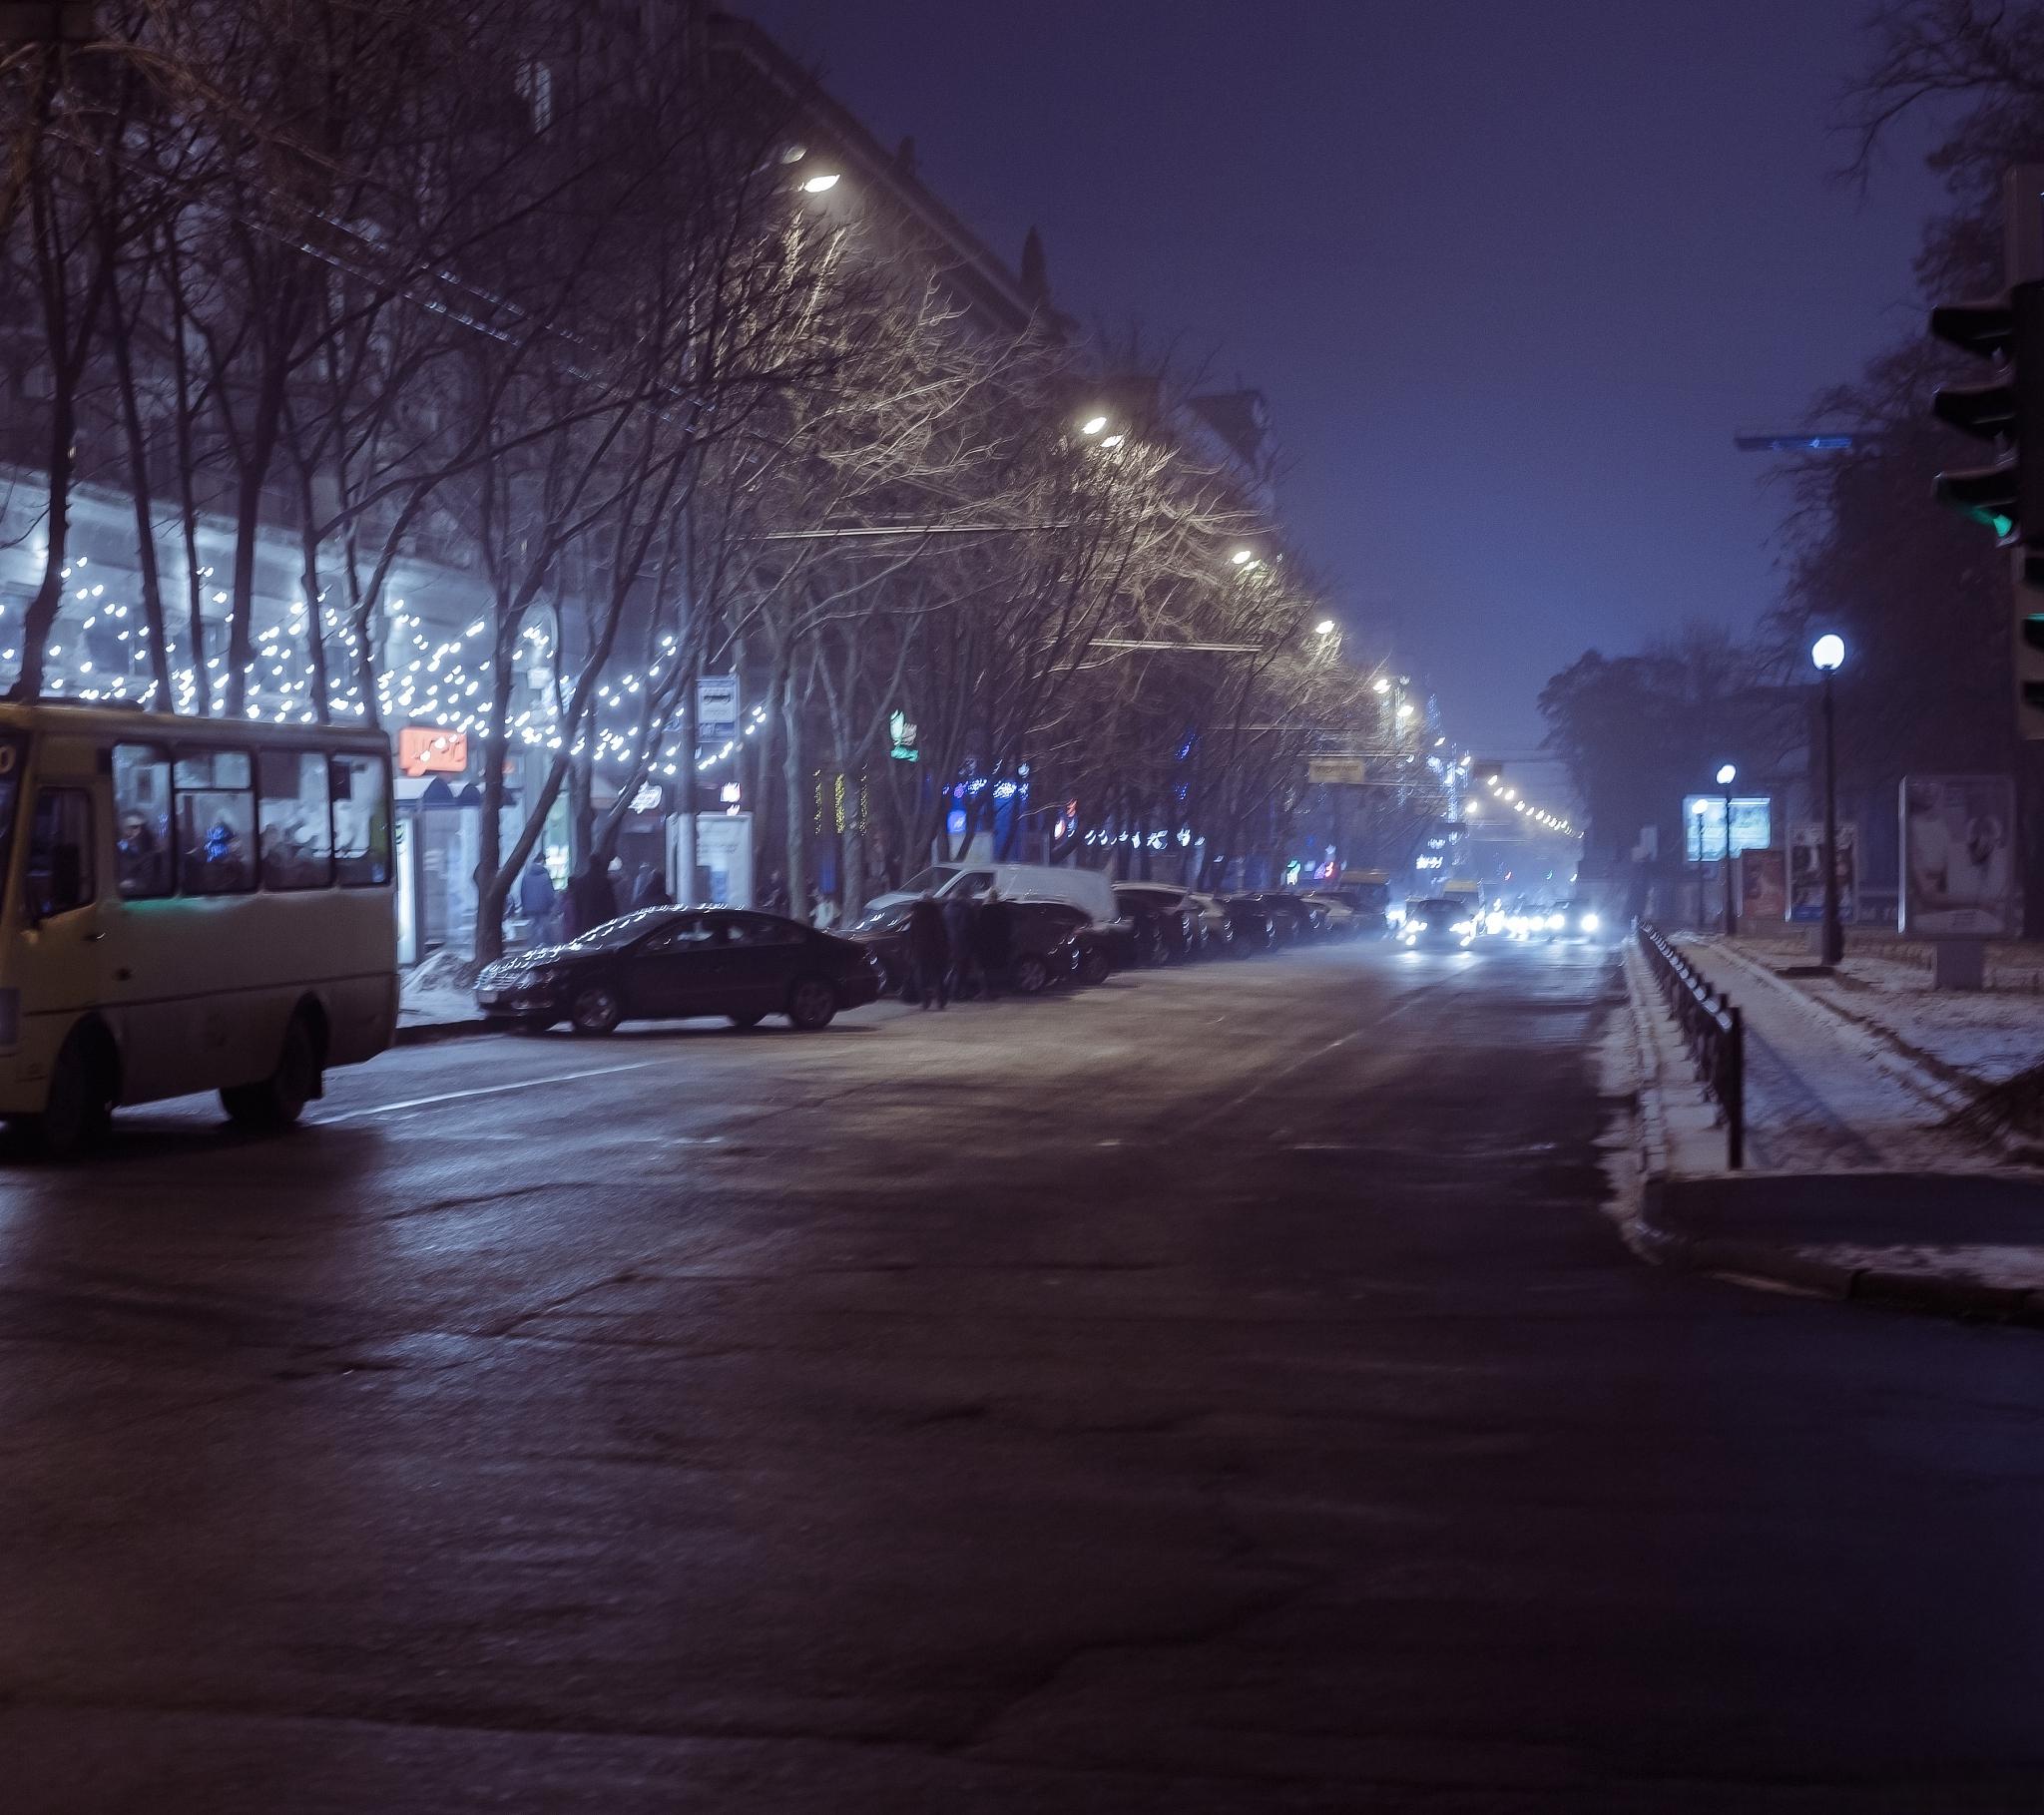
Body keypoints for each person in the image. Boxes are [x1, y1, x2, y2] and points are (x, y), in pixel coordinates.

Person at [907, 894, 949, 1010]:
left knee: (920, 976)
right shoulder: (937, 914)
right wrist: (945, 949)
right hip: (936, 950)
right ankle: (940, 1001)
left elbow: (911, 935)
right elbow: (941, 934)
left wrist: (911, 949)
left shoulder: (915, 915)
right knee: (938, 976)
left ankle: (925, 1001)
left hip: (919, 950)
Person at [974, 887, 1012, 999]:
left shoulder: (984, 910)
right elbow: (1007, 927)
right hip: (999, 944)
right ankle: (995, 991)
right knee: (996, 969)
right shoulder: (1002, 910)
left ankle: (985, 991)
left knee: (984, 969)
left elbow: (979, 929)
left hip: (985, 944)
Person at [942, 890, 978, 1000]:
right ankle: (956, 993)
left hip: (950, 943)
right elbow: (966, 927)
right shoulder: (965, 909)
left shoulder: (947, 909)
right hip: (963, 943)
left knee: (954, 969)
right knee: (962, 970)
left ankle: (950, 991)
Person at [517, 857, 558, 943]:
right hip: (544, 908)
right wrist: (552, 904)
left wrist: (524, 907)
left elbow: (522, 893)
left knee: (532, 928)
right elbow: (550, 894)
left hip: (530, 908)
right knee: (546, 927)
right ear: (542, 862)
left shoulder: (526, 877)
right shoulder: (545, 876)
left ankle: (533, 947)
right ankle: (547, 946)